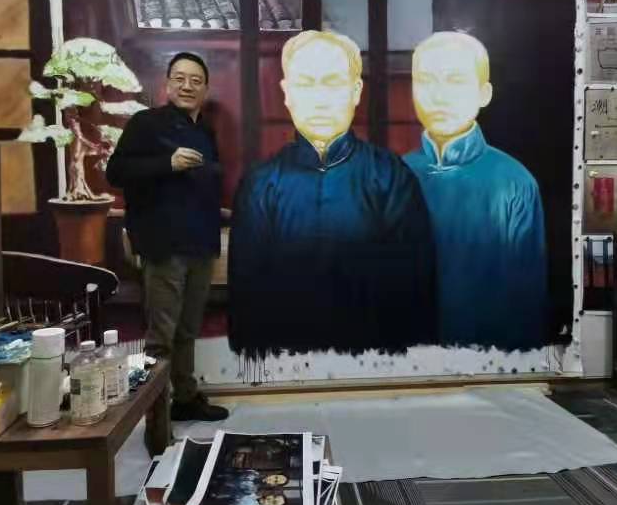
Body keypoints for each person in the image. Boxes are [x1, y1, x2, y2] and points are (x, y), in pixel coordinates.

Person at [229, 30, 436, 361]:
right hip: (286, 363)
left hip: (374, 359)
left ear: (356, 92)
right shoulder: (261, 183)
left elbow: (415, 284)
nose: (320, 99)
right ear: (287, 93)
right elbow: (246, 293)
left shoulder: (390, 176)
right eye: (306, 84)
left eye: (332, 83)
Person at [106, 52, 228, 457]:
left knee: (187, 329)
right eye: (180, 78)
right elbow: (115, 172)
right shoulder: (146, 123)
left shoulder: (205, 130)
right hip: (164, 245)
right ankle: (156, 426)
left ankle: (186, 398)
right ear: (167, 84)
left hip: (201, 244)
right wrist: (167, 163)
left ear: (205, 88)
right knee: (161, 337)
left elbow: (203, 185)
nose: (187, 85)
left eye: (196, 80)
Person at [403, 31, 548, 350]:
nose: (438, 96)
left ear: (484, 93)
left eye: (455, 80)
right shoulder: (392, 177)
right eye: (425, 80)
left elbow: (527, 303)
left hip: (487, 362)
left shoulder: (515, 182)